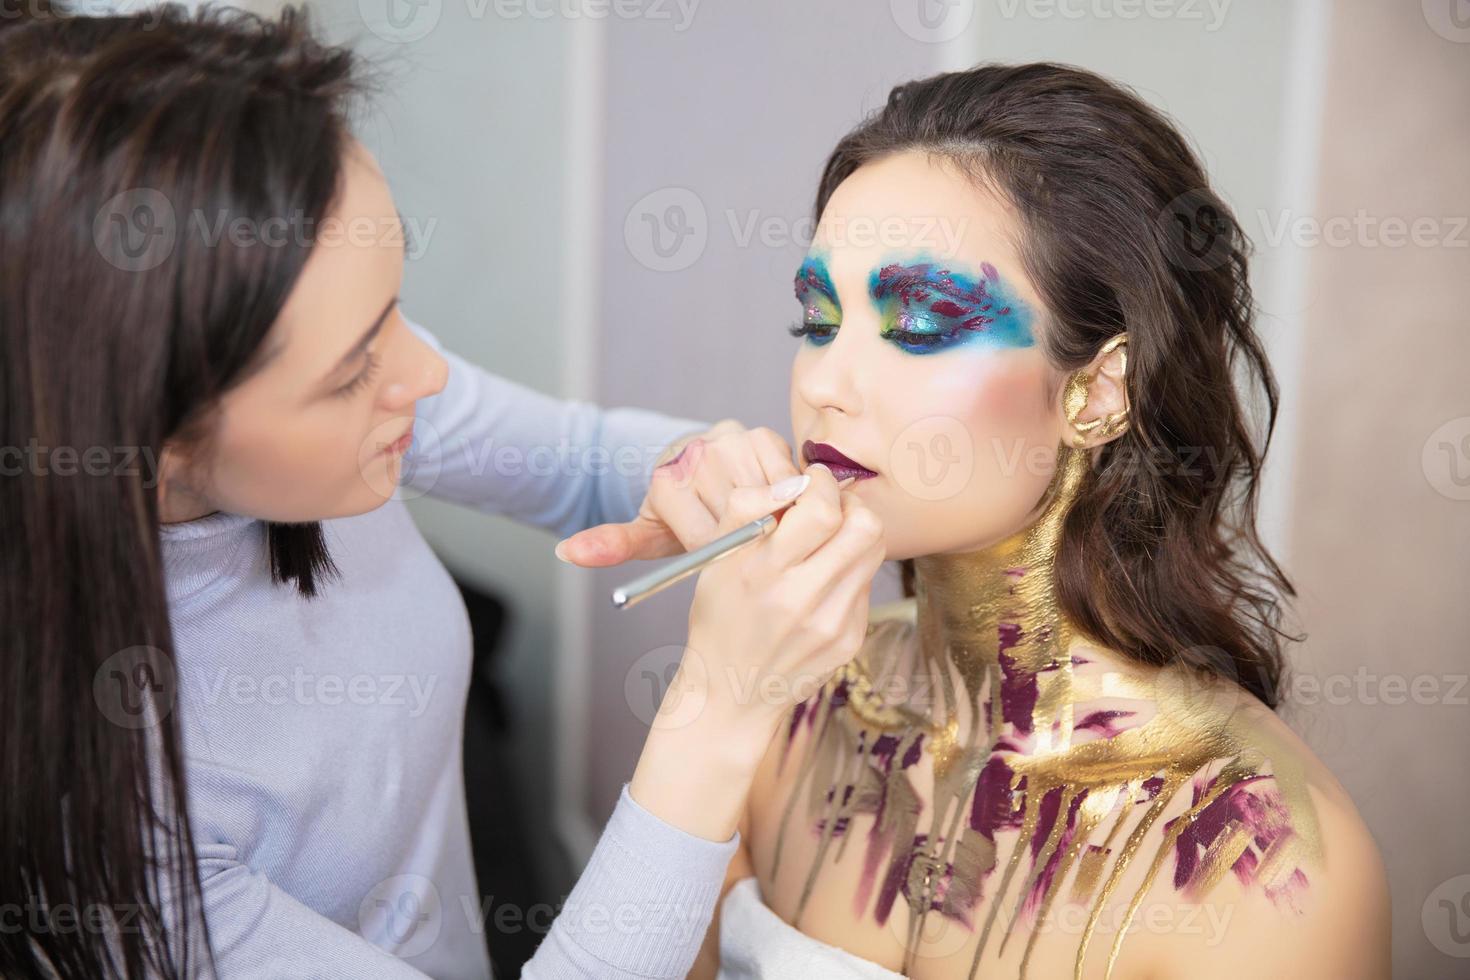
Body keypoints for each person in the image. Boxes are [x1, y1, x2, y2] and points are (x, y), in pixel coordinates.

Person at [0, 5, 884, 978]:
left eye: (395, 311)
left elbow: (579, 457)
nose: (424, 375)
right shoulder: (106, 830)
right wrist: (720, 706)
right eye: (349, 369)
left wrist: (712, 473)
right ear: (147, 437)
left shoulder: (370, 392)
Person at [692, 63, 1392, 980]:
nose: (822, 384)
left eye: (921, 326)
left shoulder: (1259, 862)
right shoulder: (791, 699)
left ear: (1099, 391)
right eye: (817, 321)